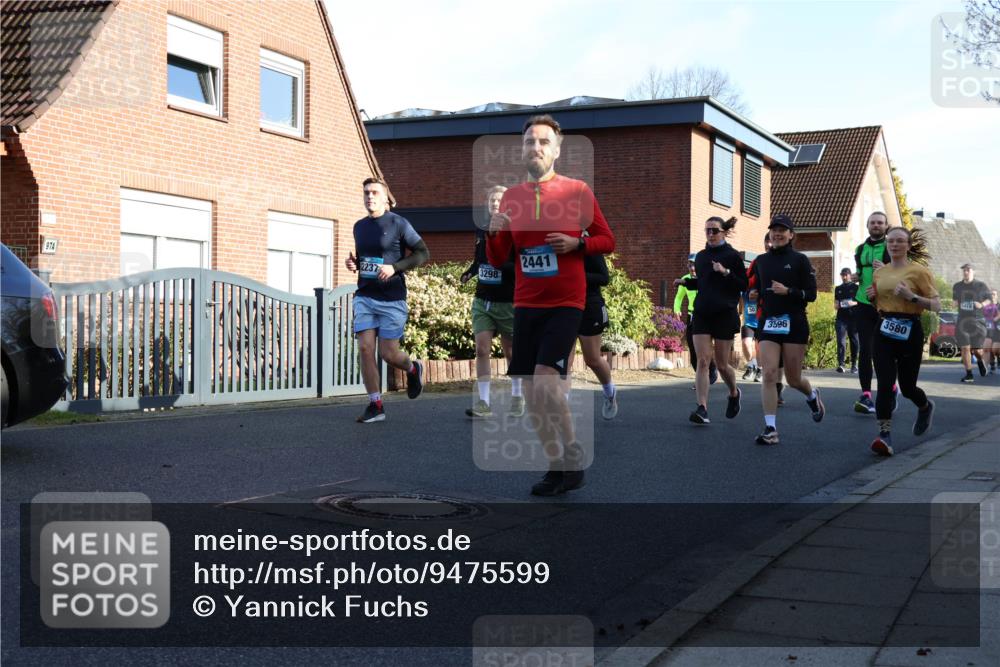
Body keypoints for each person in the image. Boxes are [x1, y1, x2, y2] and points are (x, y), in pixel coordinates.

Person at [486, 114, 615, 496]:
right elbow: (497, 258)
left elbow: (607, 240)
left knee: (545, 381)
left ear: (557, 150)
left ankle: (573, 455)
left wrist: (578, 244)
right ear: (522, 149)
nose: (536, 147)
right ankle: (556, 466)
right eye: (530, 141)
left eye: (544, 141)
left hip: (566, 302)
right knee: (530, 392)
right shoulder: (512, 197)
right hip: (526, 303)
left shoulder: (576, 191)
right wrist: (494, 233)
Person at [345, 177, 429, 423]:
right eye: (366, 193)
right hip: (365, 296)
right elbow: (365, 259)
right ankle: (376, 405)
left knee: (388, 354)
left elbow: (423, 253)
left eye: (374, 193)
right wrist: (355, 264)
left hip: (392, 298)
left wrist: (395, 267)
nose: (369, 196)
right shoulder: (359, 226)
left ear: (385, 198)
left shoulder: (398, 223)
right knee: (365, 348)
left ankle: (413, 368)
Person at [866, 227, 941, 456]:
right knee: (885, 383)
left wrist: (912, 297)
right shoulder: (880, 273)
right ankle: (884, 435)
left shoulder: (919, 272)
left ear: (908, 245)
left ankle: (925, 406)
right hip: (884, 329)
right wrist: (872, 299)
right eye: (891, 241)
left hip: (910, 329)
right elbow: (879, 303)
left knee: (907, 387)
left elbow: (937, 305)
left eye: (900, 241)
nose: (894, 245)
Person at [752, 214, 824, 445]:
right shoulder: (761, 261)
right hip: (769, 323)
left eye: (782, 230)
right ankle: (770, 428)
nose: (777, 234)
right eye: (774, 230)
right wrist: (755, 293)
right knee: (769, 374)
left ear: (791, 235)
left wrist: (789, 291)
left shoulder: (800, 260)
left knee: (793, 379)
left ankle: (812, 395)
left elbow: (811, 294)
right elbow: (759, 289)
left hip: (794, 323)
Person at [674, 216, 747, 424]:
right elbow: (703, 283)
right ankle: (702, 408)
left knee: (722, 365)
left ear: (723, 232)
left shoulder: (733, 256)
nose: (710, 234)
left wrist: (725, 272)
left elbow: (742, 284)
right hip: (702, 313)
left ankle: (734, 393)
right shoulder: (701, 257)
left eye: (714, 230)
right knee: (703, 361)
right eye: (707, 230)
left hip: (724, 314)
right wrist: (686, 283)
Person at [461, 185, 523, 418]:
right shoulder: (482, 229)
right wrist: (470, 272)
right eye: (492, 201)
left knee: (511, 352)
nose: (495, 204)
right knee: (481, 348)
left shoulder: (515, 229)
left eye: (499, 200)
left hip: (507, 301)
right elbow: (480, 259)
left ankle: (517, 396)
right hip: (483, 300)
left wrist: (498, 265)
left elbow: (519, 264)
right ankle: (484, 402)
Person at [565, 243, 618, 419]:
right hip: (564, 306)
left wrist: (576, 275)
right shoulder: (554, 245)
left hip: (589, 305)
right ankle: (562, 408)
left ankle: (610, 392)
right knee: (564, 361)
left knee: (592, 359)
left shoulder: (586, 245)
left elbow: (604, 277)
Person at [852, 212, 891, 413]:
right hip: (863, 303)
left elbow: (903, 274)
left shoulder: (893, 247)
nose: (876, 225)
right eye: (873, 222)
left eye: (880, 223)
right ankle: (866, 395)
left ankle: (890, 388)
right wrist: (856, 276)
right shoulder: (860, 249)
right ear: (867, 226)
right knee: (865, 350)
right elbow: (861, 273)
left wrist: (886, 269)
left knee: (884, 351)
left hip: (886, 305)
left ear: (886, 226)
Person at [674, 255, 718, 385]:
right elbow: (679, 297)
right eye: (689, 265)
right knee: (692, 348)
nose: (692, 268)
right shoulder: (685, 279)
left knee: (705, 347)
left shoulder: (705, 278)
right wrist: (677, 309)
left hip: (706, 315)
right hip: (692, 315)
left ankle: (712, 369)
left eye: (694, 265)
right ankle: (701, 377)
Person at [953, 263, 992, 383]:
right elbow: (955, 300)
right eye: (964, 270)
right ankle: (969, 374)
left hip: (977, 321)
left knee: (976, 350)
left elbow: (989, 299)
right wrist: (954, 303)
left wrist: (981, 304)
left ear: (973, 271)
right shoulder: (957, 286)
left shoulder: (981, 285)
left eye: (968, 270)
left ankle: (980, 361)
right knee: (965, 348)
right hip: (962, 321)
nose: (966, 272)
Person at [834, 267, 860, 373]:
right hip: (841, 318)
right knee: (841, 341)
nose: (844, 277)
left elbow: (860, 302)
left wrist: (852, 303)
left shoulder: (856, 287)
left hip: (853, 318)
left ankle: (854, 364)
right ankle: (841, 364)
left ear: (849, 275)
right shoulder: (838, 288)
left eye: (845, 275)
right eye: (842, 275)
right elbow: (836, 305)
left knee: (854, 341)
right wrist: (840, 304)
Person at [985, 289, 999, 374]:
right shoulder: (986, 307)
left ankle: (998, 358)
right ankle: (991, 364)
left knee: (994, 349)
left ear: (997, 296)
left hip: (998, 331)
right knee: (988, 349)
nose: (992, 296)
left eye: (994, 294)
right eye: (991, 294)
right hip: (989, 330)